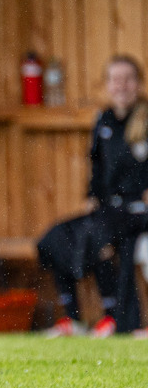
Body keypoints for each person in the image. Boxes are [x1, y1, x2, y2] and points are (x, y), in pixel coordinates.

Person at [37, 55, 148, 337]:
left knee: (99, 237)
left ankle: (114, 319)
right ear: (108, 85)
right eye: (115, 79)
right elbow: (96, 166)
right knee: (54, 238)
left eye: (128, 79)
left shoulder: (145, 119)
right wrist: (91, 197)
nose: (121, 85)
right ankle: (73, 318)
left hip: (137, 212)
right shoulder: (104, 119)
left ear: (138, 83)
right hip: (108, 211)